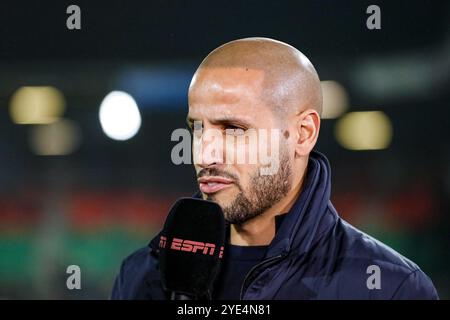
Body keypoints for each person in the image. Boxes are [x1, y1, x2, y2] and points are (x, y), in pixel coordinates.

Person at [111, 37, 438, 300]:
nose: (204, 154)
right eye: (197, 128)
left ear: (302, 134)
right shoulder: (143, 276)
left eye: (234, 129)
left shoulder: (390, 288)